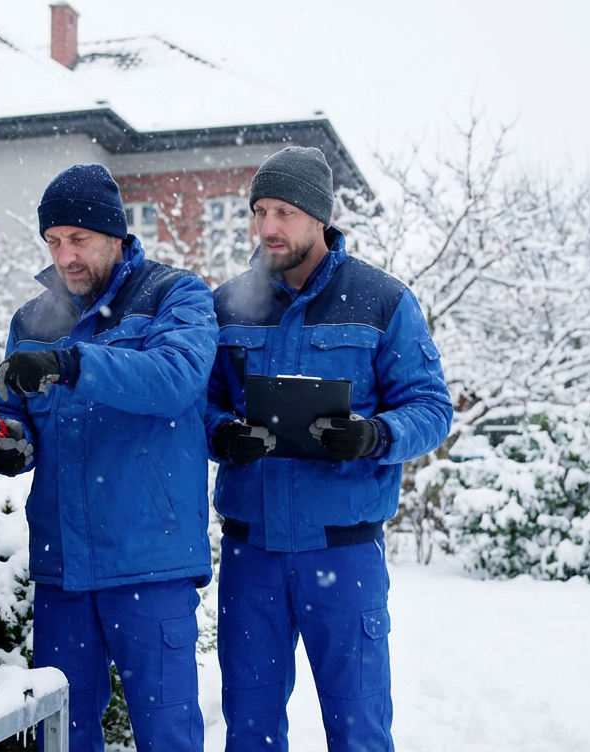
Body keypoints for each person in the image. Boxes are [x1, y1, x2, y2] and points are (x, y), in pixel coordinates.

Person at [206, 146, 453, 751]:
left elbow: (431, 406)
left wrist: (376, 435)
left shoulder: (381, 300)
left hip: (342, 553)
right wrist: (223, 434)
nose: (267, 227)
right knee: (250, 728)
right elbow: (201, 407)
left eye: (283, 211)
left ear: (319, 217)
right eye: (259, 210)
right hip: (251, 550)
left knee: (359, 728)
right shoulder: (229, 304)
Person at [0, 163, 218, 752]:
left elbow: (176, 378)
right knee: (61, 737)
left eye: (79, 240)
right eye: (54, 242)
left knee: (167, 735)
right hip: (65, 569)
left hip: (148, 561)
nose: (65, 257)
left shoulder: (175, 294)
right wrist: (6, 439)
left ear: (115, 236)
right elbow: (11, 410)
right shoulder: (32, 321)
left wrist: (71, 364)